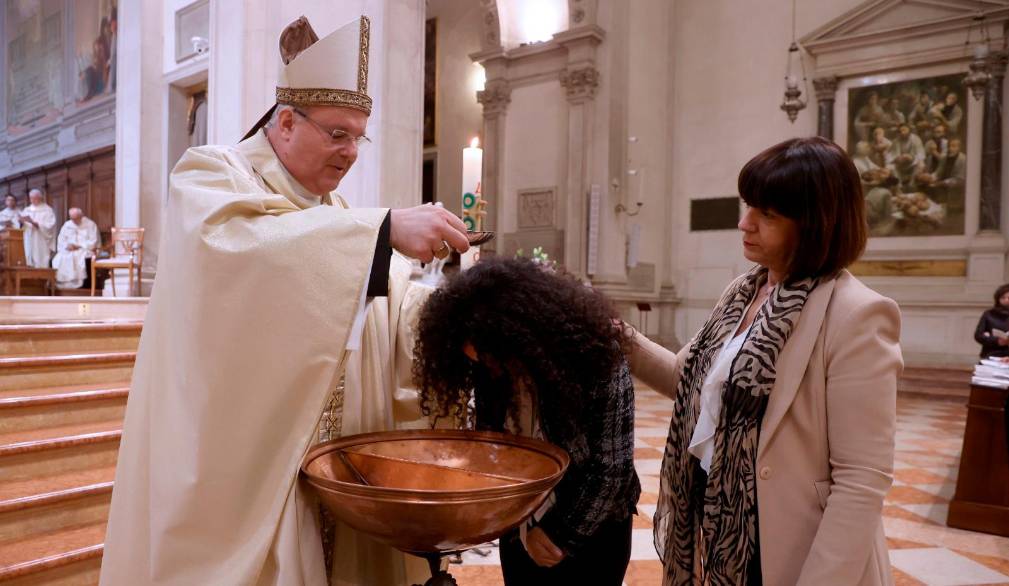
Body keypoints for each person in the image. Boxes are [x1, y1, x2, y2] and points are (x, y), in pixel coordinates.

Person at [100, 16, 469, 586]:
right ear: (288, 120)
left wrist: (454, 315)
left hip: (332, 468)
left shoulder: (339, 216)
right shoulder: (212, 174)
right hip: (247, 467)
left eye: (359, 137)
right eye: (338, 134)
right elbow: (236, 258)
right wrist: (382, 229)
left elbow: (386, 311)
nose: (351, 154)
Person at [630, 137, 902, 585]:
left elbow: (862, 481)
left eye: (767, 215)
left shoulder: (857, 314)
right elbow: (686, 379)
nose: (744, 223)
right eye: (747, 206)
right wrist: (613, 334)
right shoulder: (741, 293)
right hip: (720, 526)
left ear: (816, 225)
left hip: (787, 543)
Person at [412, 257, 640, 585]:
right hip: (523, 523)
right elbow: (493, 445)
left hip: (594, 523)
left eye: (491, 357)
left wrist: (562, 535)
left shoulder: (596, 358)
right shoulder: (487, 360)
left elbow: (611, 470)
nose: (487, 368)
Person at [52, 208, 100, 289]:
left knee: (78, 257)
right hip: (69, 249)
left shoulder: (90, 224)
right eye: (72, 218)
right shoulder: (67, 225)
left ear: (81, 216)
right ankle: (64, 283)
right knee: (59, 257)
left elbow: (93, 241)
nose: (74, 221)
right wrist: (67, 246)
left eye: (76, 218)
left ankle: (80, 284)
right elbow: (61, 240)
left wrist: (79, 246)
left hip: (84, 249)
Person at [20, 188, 56, 268]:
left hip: (41, 239)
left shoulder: (47, 210)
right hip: (29, 238)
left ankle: (42, 279)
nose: (32, 200)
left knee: (40, 259)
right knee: (29, 257)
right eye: (31, 198)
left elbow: (51, 225)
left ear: (40, 198)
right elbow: (22, 225)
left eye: (34, 198)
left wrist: (38, 225)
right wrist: (21, 222)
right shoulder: (27, 210)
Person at [975, 283, 1009, 359]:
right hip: (991, 354)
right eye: (1003, 297)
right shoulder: (989, 314)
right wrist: (997, 341)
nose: (1006, 300)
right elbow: (978, 335)